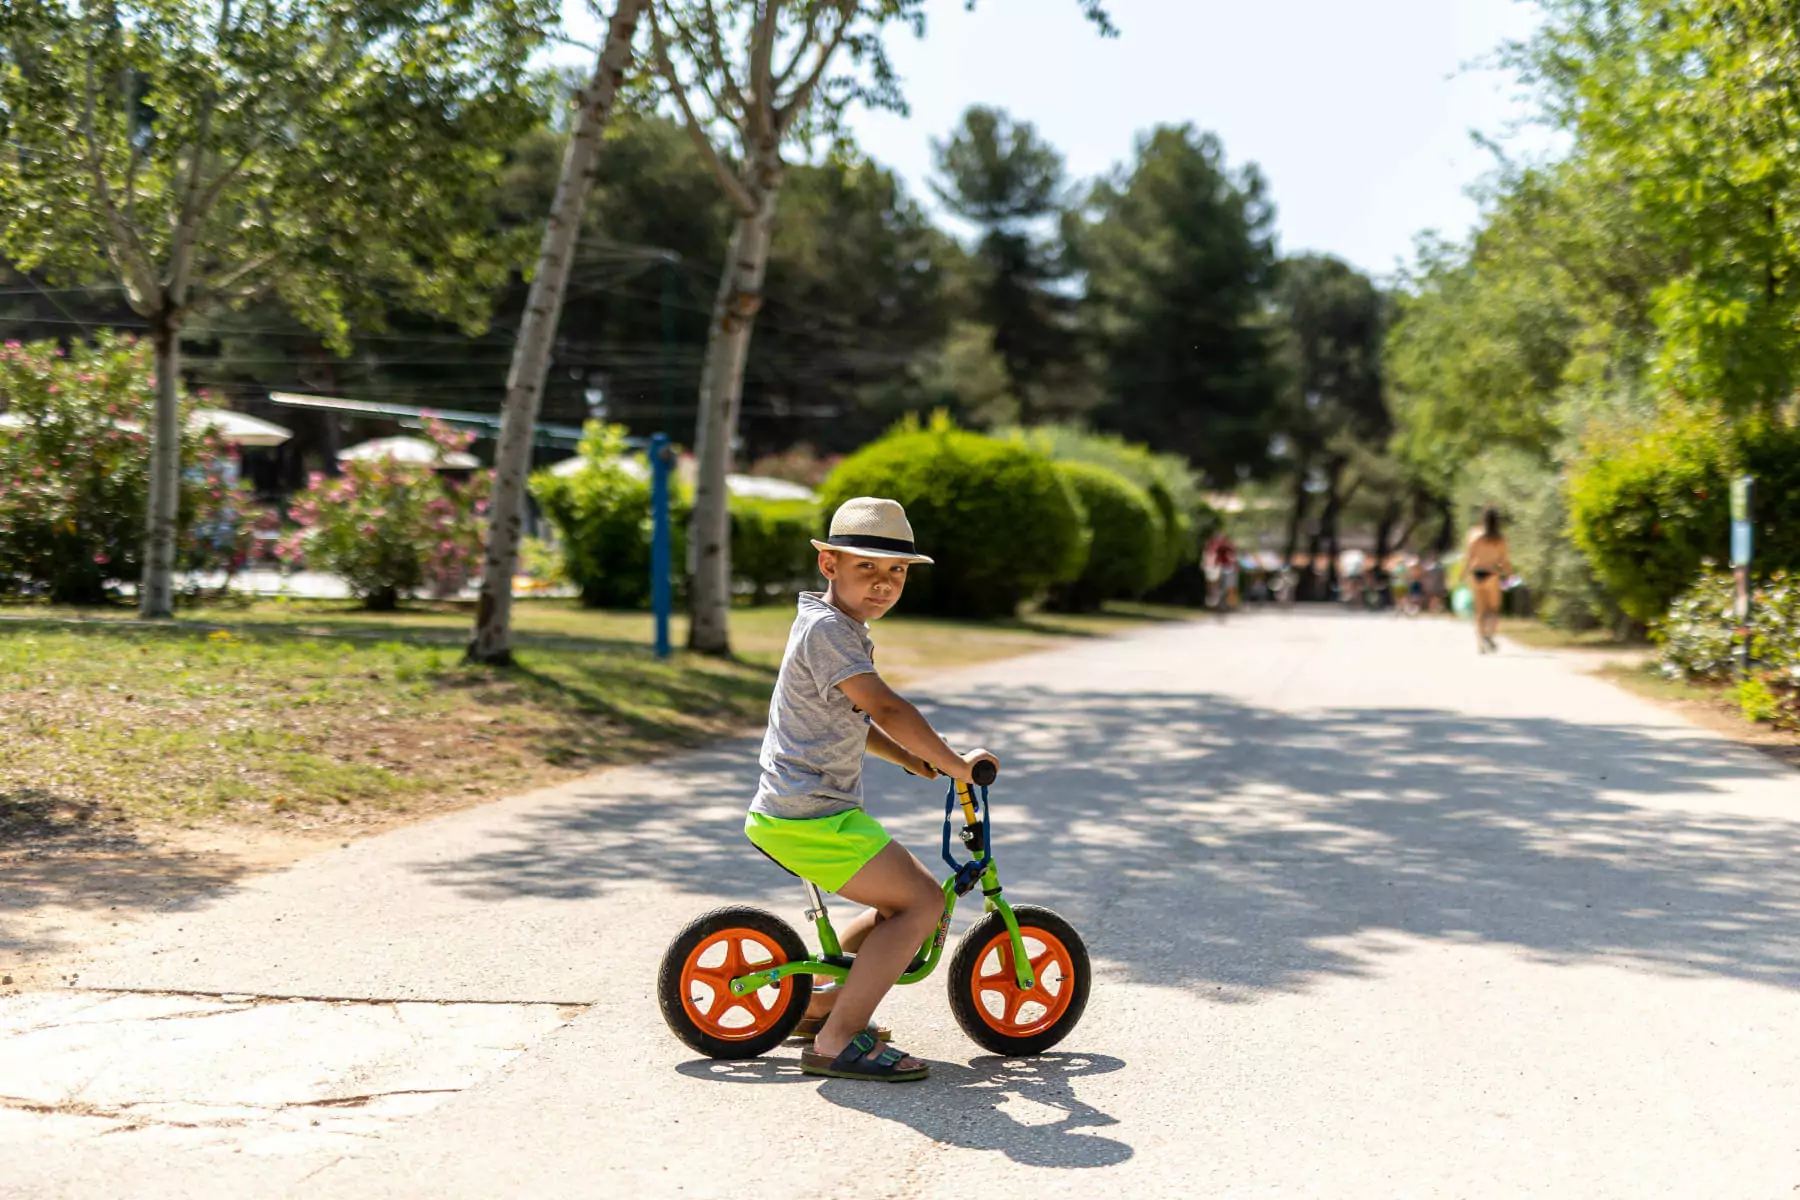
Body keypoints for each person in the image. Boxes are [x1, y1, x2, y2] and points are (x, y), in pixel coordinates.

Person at [744, 496, 997, 1083]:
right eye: (868, 568)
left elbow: (856, 720)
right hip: (808, 815)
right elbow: (884, 705)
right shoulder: (831, 631)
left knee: (911, 902)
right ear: (828, 564)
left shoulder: (834, 626)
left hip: (809, 809)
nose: (884, 584)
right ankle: (835, 1042)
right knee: (924, 904)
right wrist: (957, 763)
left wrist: (912, 758)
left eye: (897, 572)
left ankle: (822, 1005)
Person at [1460, 507, 1513, 653]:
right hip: (1491, 573)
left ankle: (1480, 641)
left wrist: (1462, 575)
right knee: (1493, 609)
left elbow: (1468, 558)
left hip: (1476, 573)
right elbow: (1504, 560)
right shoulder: (1499, 538)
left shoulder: (1474, 534)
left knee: (1480, 610)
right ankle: (1489, 635)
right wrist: (1509, 574)